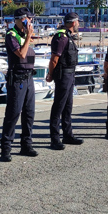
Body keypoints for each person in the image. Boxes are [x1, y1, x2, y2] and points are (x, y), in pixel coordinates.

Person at [0, 7, 38, 162]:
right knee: (13, 113)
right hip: (17, 80)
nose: (31, 22)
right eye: (29, 19)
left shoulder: (23, 35)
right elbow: (21, 55)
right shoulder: (11, 35)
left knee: (29, 114)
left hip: (29, 79)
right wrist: (29, 37)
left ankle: (26, 145)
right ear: (22, 19)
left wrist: (28, 36)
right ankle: (6, 148)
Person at [47, 12, 83, 149]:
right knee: (58, 107)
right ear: (73, 23)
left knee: (68, 107)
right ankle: (55, 138)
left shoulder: (68, 36)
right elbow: (54, 59)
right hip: (63, 76)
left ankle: (68, 135)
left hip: (70, 75)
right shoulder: (61, 37)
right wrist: (50, 75)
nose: (79, 24)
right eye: (78, 22)